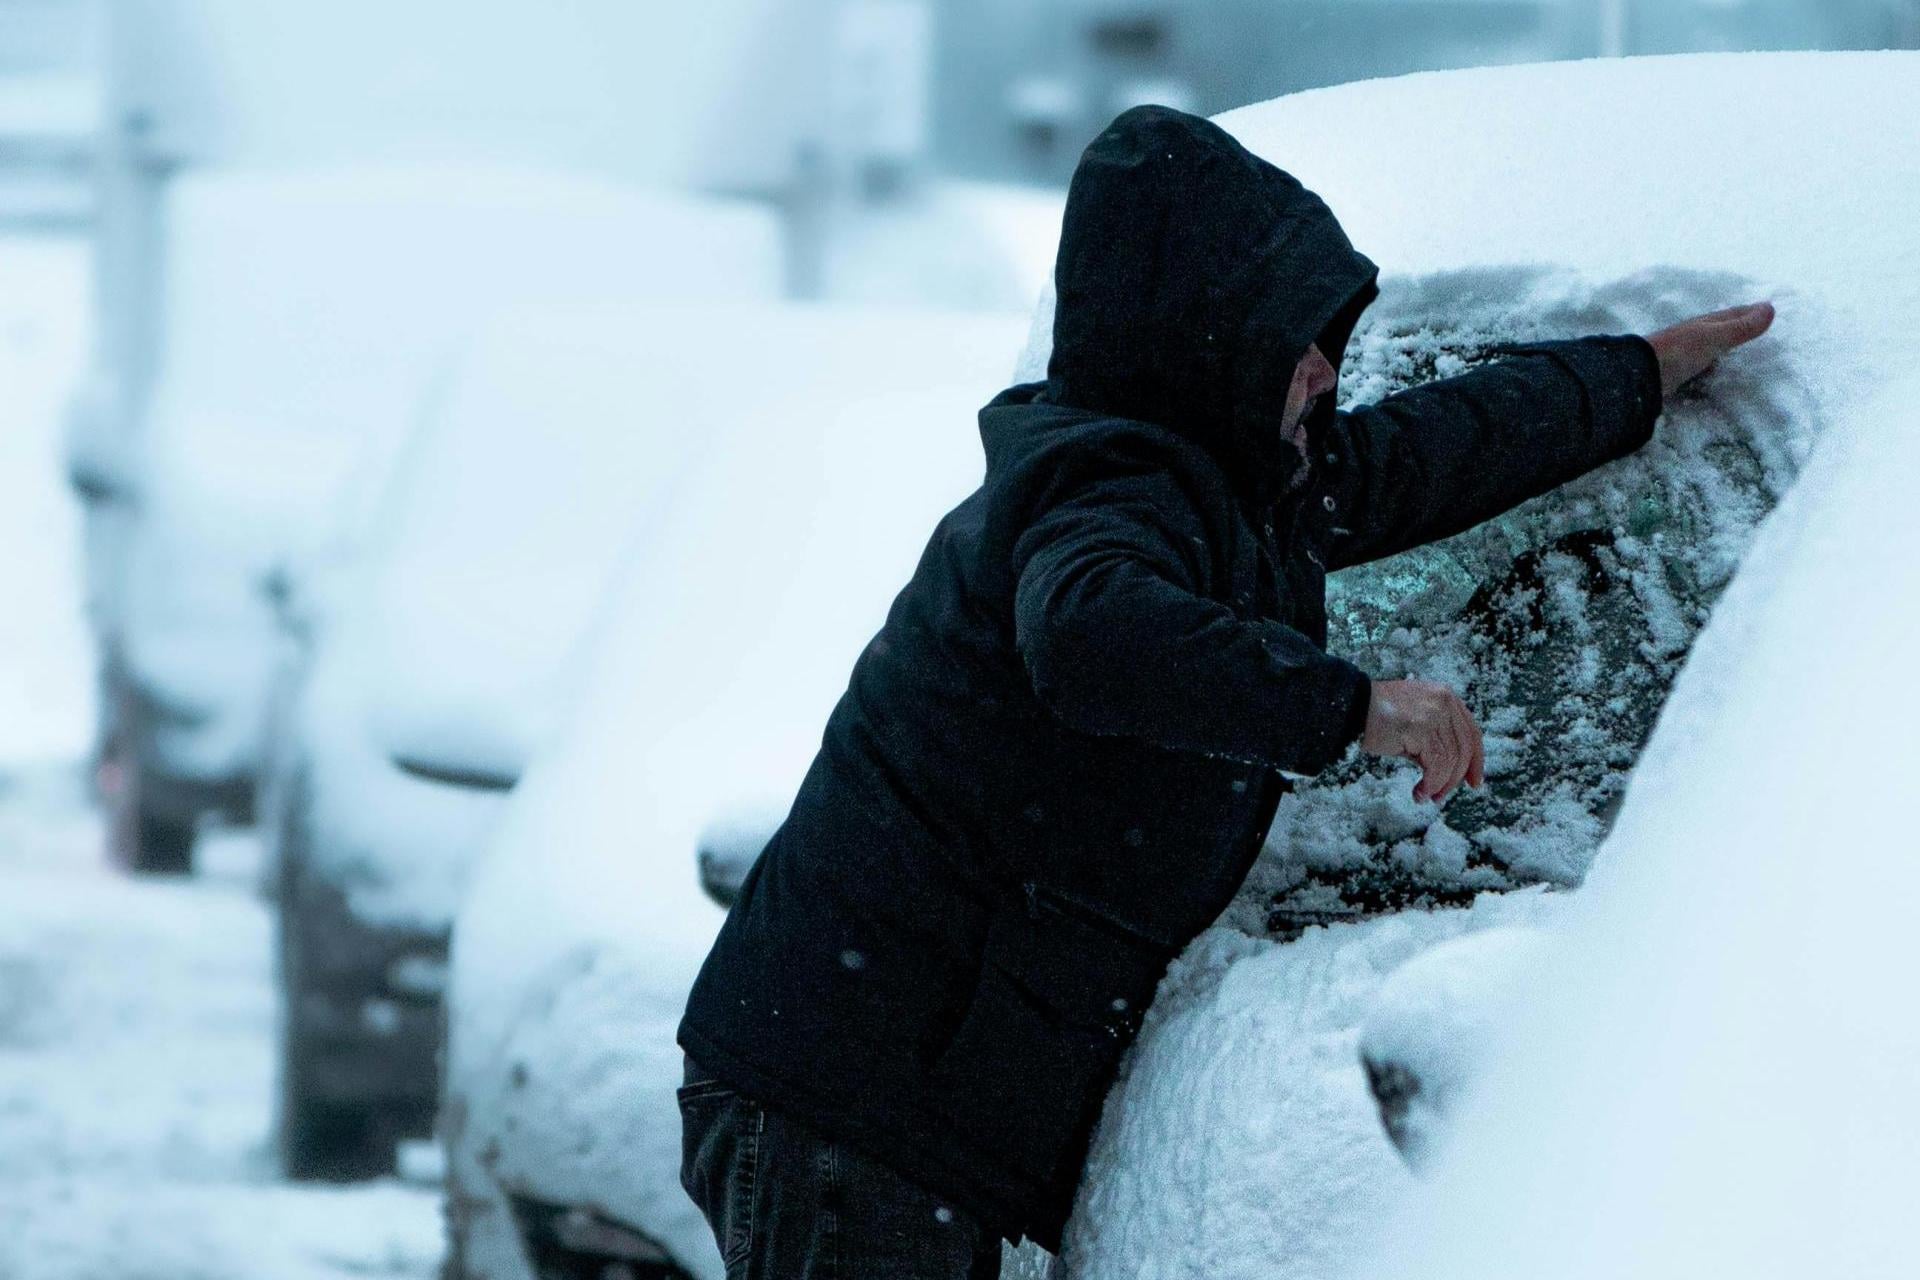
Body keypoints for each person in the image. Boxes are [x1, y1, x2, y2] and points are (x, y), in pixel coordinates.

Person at [675, 104, 1774, 1279]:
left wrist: (1633, 378)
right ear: (1209, 340)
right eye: (1294, 336)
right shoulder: (1107, 489)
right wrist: (1353, 706)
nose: (1325, 368)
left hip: (889, 1098)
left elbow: (1426, 454)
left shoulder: (1227, 483)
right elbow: (1093, 633)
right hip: (851, 1113)